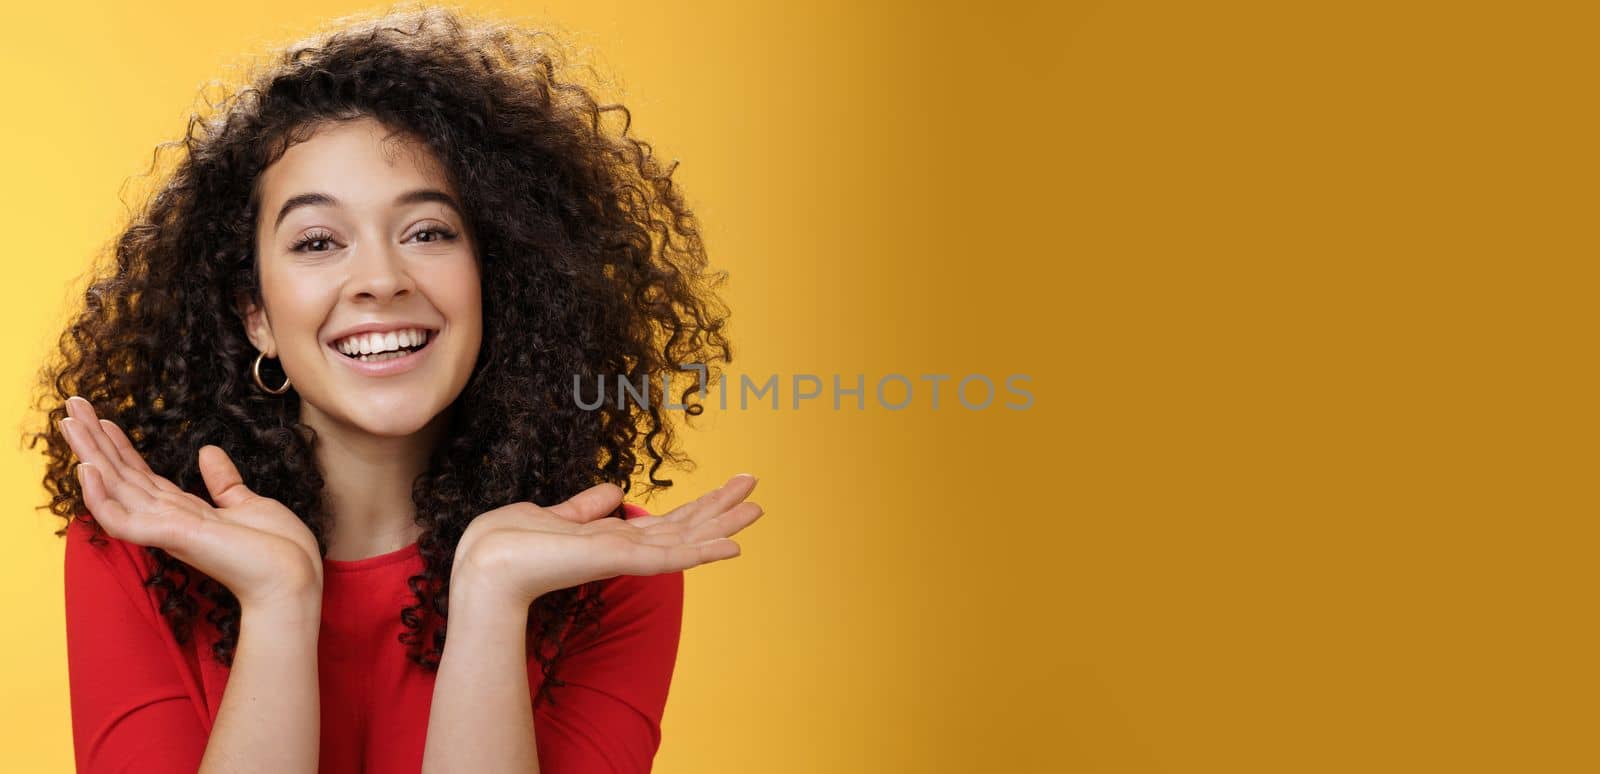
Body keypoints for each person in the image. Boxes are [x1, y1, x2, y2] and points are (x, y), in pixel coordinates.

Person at [26, 6, 761, 772]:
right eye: (317, 242)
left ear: (497, 279)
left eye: (427, 232)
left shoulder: (602, 570)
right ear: (257, 318)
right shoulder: (141, 551)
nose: (380, 280)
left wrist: (492, 598)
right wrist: (279, 603)